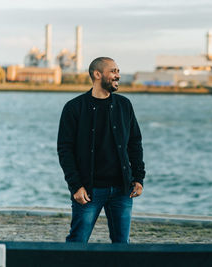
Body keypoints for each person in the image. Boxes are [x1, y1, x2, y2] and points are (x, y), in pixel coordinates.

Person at [57, 57, 145, 243]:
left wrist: (138, 177)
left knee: (122, 245)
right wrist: (76, 186)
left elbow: (134, 143)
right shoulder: (74, 108)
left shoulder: (124, 105)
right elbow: (65, 150)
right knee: (77, 242)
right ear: (97, 74)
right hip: (89, 190)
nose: (118, 75)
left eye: (118, 71)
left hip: (122, 189)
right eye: (113, 71)